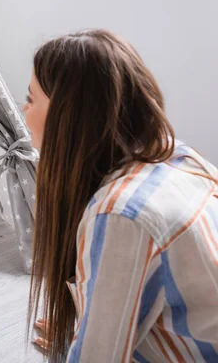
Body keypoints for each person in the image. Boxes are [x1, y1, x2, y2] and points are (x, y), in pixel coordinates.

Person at [23, 29, 218, 362]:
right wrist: (92, 324)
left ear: (68, 118)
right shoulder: (178, 156)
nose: (23, 111)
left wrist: (91, 338)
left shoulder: (120, 214)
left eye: (30, 99)